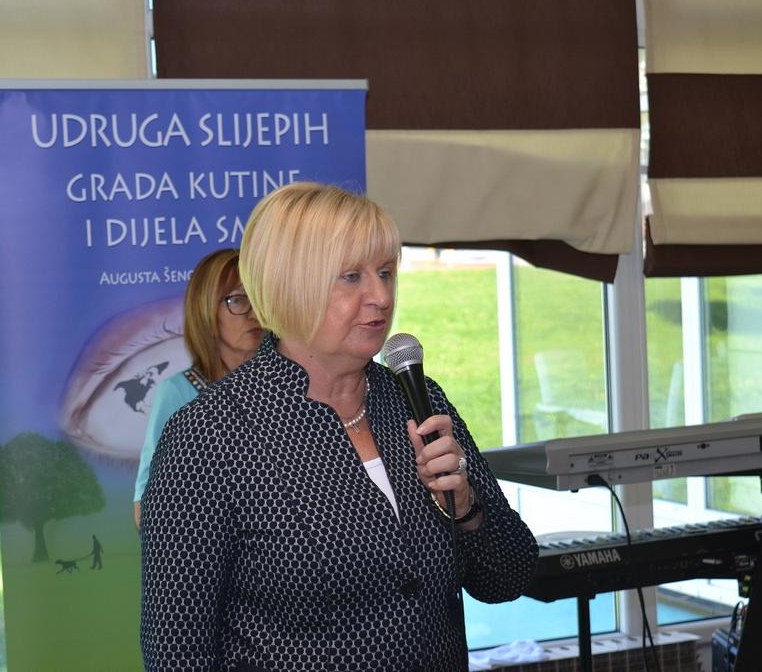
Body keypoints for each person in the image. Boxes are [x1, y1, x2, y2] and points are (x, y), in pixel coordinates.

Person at [139, 183, 538, 671]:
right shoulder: (209, 436)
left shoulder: (417, 399)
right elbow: (176, 651)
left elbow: (509, 578)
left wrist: (468, 508)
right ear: (288, 286)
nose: (381, 296)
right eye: (352, 277)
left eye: (386, 272)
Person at [133, 248, 263, 527]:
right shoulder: (178, 393)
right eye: (238, 300)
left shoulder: (285, 385)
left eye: (258, 298)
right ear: (205, 310)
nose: (253, 313)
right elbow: (146, 507)